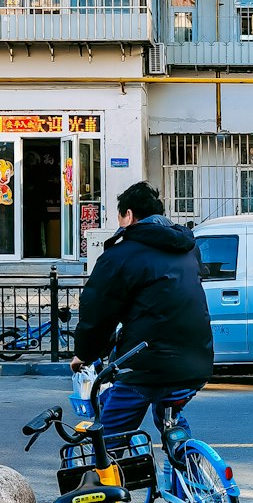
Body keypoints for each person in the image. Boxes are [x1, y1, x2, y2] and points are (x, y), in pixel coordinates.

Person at [70, 181, 214, 444]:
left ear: (128, 215)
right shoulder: (188, 248)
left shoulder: (122, 254)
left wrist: (85, 355)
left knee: (110, 437)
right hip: (197, 361)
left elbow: (98, 312)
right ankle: (188, 467)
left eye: (119, 215)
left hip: (147, 365)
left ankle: (111, 479)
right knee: (169, 416)